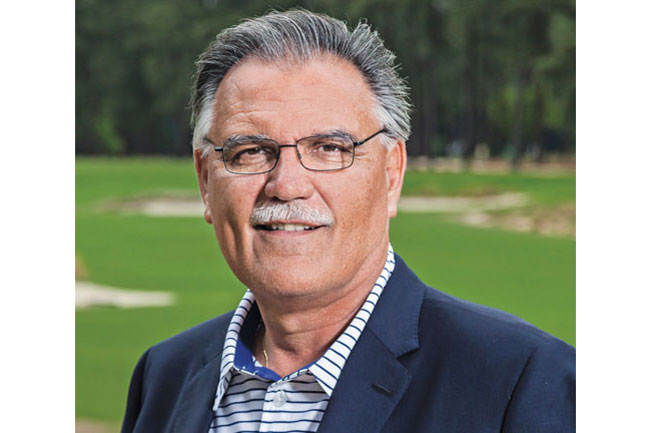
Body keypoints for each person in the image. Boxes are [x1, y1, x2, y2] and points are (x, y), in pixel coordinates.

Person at [121, 9, 574, 433]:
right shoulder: (163, 377)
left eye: (330, 149)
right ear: (205, 181)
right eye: (252, 152)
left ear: (391, 174)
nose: (287, 184)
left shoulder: (525, 380)